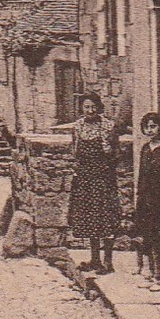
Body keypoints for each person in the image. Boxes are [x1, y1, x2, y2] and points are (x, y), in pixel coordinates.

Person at [66, 92, 121, 274]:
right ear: (82, 109)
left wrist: (105, 170)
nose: (90, 110)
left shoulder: (107, 126)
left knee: (105, 218)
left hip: (103, 179)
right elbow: (75, 152)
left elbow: (115, 154)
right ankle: (95, 259)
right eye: (86, 107)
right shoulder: (78, 126)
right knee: (90, 219)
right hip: (85, 179)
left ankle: (108, 262)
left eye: (93, 107)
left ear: (99, 107)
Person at [131, 112, 160, 289]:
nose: (150, 130)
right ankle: (154, 273)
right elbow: (142, 176)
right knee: (150, 237)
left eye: (153, 126)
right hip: (147, 199)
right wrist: (139, 198)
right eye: (147, 127)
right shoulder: (145, 148)